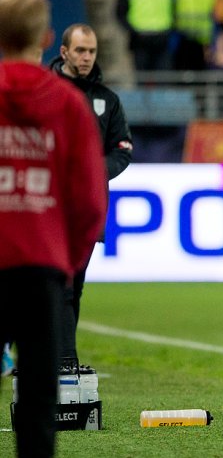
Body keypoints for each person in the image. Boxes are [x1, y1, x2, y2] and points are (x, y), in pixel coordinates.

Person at [0, 0, 107, 458]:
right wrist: (66, 261)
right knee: (39, 401)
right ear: (46, 39)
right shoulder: (67, 103)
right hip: (41, 266)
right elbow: (90, 200)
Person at [48, 23, 133, 364]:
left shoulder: (106, 100)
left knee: (74, 287)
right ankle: (63, 359)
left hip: (88, 207)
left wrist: (90, 171)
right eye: (80, 50)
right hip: (48, 205)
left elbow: (123, 150)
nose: (86, 57)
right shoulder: (46, 90)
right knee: (56, 285)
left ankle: (56, 358)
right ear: (64, 52)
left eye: (92, 51)